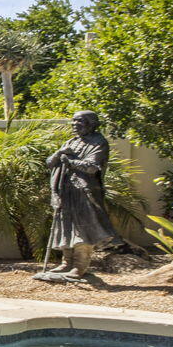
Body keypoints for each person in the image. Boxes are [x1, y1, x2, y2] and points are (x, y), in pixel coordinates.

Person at [36, 111, 119, 282]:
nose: (74, 124)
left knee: (84, 229)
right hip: (65, 191)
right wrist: (60, 153)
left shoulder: (99, 142)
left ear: (91, 123)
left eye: (79, 121)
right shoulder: (71, 142)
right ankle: (66, 263)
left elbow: (92, 167)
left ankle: (79, 266)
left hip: (85, 192)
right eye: (73, 121)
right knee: (66, 228)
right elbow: (50, 163)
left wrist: (71, 162)